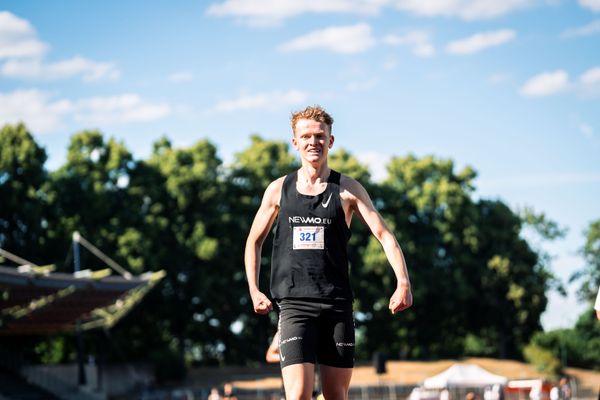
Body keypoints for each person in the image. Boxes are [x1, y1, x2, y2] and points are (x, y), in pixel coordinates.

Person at [244, 105, 413, 400]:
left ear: (331, 141)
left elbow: (384, 235)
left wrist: (403, 282)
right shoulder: (278, 190)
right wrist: (254, 289)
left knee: (336, 395)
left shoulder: (347, 189)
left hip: (336, 306)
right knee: (298, 394)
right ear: (295, 142)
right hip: (295, 305)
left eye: (320, 136)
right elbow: (253, 242)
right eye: (306, 136)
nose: (314, 142)